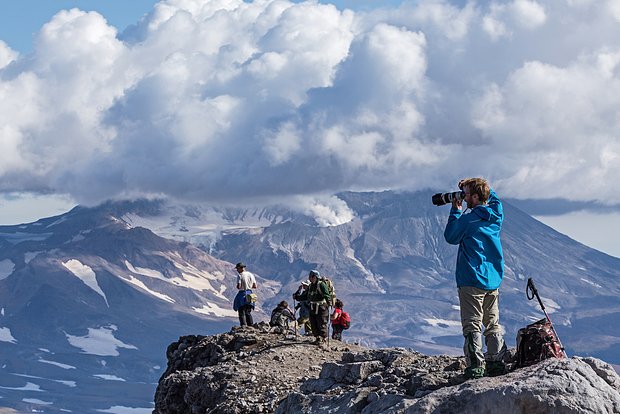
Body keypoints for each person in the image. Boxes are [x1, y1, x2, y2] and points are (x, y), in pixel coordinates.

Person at [443, 177, 507, 379]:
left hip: (471, 279)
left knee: (472, 325)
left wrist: (455, 209)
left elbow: (451, 237)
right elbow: (495, 200)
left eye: (467, 194)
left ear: (476, 197)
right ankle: (496, 364)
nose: (464, 197)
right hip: (493, 279)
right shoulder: (496, 215)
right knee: (492, 323)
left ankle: (476, 367)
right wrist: (480, 186)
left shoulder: (469, 220)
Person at [293, 270, 329, 345]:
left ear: (315, 277)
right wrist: (297, 297)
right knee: (313, 323)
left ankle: (323, 339)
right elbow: (305, 296)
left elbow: (327, 295)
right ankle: (317, 338)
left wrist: (329, 304)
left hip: (321, 307)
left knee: (321, 322)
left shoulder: (321, 285)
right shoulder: (310, 286)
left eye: (310, 276)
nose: (309, 278)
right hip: (312, 306)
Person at [232, 262, 257, 327]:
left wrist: (238, 286)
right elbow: (255, 286)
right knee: (248, 311)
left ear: (240, 268)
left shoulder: (240, 275)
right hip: (250, 293)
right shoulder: (251, 274)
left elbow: (239, 286)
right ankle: (250, 325)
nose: (237, 270)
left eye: (237, 269)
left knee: (241, 310)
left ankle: (243, 325)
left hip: (242, 294)